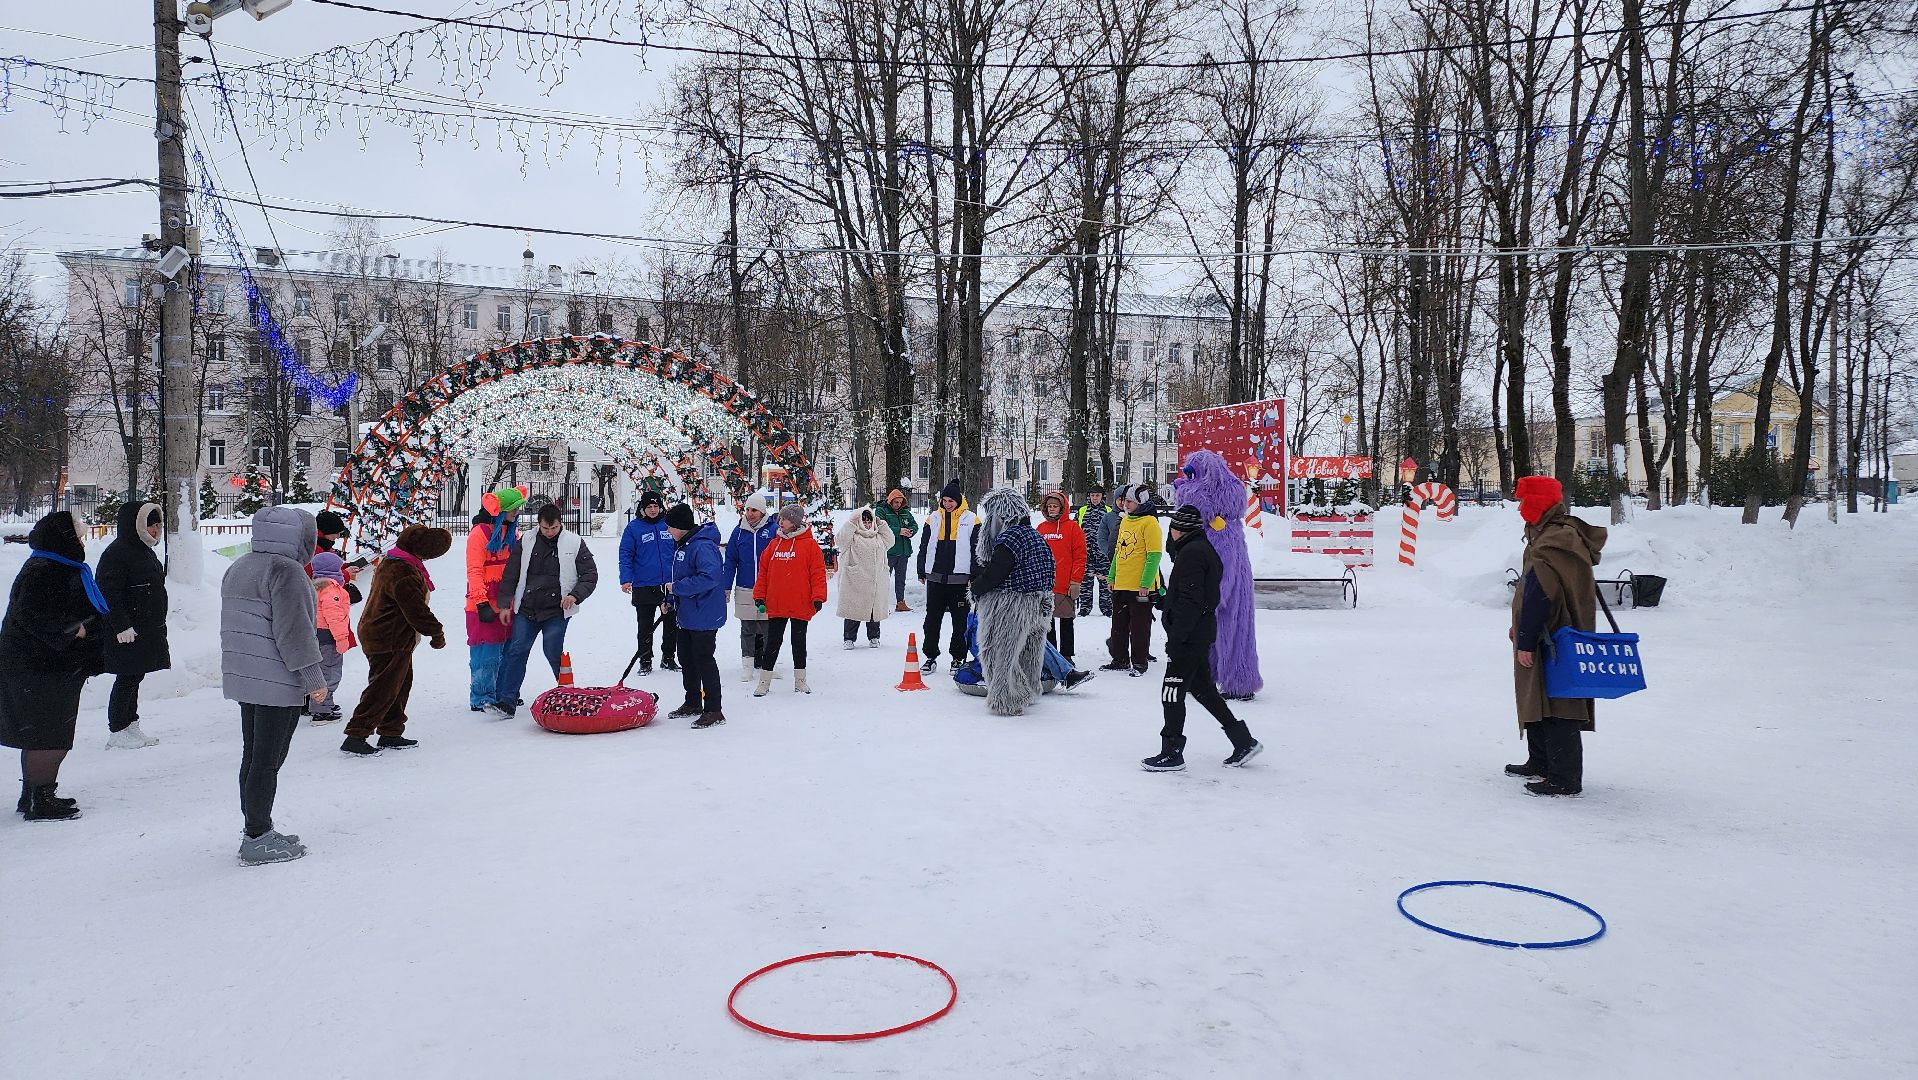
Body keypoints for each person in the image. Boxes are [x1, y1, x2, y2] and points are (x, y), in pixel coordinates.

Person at [219, 506, 329, 863]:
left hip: (247, 679)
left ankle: (257, 826)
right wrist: (314, 679)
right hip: (277, 680)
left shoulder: (241, 566)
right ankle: (257, 837)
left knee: (254, 757)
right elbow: (294, 632)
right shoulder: (287, 571)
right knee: (268, 760)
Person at [1, 511, 106, 821]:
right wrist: (77, 629)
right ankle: (40, 799)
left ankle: (33, 794)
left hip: (46, 667)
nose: (81, 540)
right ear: (63, 538)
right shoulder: (45, 569)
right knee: (50, 736)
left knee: (44, 734)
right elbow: (34, 615)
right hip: (40, 668)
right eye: (76, 535)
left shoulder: (53, 564)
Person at [1141, 504, 1261, 772]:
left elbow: (1192, 602)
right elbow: (1192, 596)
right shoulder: (1196, 550)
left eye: (1170, 527)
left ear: (1178, 530)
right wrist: (1162, 601)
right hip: (1198, 632)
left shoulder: (1193, 554)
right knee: (1204, 690)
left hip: (1189, 636)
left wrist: (1177, 639)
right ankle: (1243, 741)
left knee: (1171, 692)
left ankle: (1172, 751)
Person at [1508, 475, 1607, 798]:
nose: (1521, 508)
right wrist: (1520, 625)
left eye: (1525, 501)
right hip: (1547, 632)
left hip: (1554, 636)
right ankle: (1540, 761)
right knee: (1536, 696)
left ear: (1538, 503)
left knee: (1560, 703)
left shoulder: (1555, 540)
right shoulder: (1549, 535)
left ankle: (1564, 777)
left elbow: (1542, 594)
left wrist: (1526, 639)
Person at [343, 524, 450, 755]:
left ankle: (391, 731)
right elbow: (416, 610)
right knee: (383, 687)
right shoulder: (404, 572)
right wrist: (436, 633)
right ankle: (356, 734)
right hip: (388, 638)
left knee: (399, 684)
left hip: (388, 635)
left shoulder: (396, 562)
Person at [492, 504, 599, 717]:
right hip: (527, 608)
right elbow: (511, 574)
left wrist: (574, 595)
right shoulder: (526, 541)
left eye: (554, 528)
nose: (550, 532)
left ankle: (569, 695)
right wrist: (505, 604)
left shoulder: (574, 542)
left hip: (556, 611)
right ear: (538, 524)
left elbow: (590, 575)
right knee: (517, 650)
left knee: (552, 651)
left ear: (561, 524)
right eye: (545, 528)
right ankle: (507, 701)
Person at [970, 488, 1055, 717]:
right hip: (1039, 602)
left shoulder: (1010, 537)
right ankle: (1028, 689)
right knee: (1028, 651)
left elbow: (996, 572)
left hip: (1012, 604)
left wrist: (976, 588)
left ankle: (1008, 699)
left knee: (999, 652)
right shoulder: (1035, 535)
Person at [96, 499, 169, 748]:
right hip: (127, 632)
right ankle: (118, 729)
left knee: (135, 676)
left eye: (158, 525)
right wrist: (121, 625)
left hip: (143, 629)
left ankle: (130, 725)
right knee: (127, 678)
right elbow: (107, 592)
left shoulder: (143, 551)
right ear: (136, 526)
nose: (156, 530)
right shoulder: (118, 553)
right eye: (151, 526)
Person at [664, 502, 728, 728]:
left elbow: (710, 578)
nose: (668, 531)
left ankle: (714, 709)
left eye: (670, 526)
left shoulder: (701, 547)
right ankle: (692, 702)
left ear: (679, 526)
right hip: (687, 614)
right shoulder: (683, 545)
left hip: (704, 614)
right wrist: (670, 600)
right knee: (687, 659)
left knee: (703, 660)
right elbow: (680, 575)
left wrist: (678, 589)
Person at [753, 503, 827, 696]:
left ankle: (800, 680)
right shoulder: (773, 545)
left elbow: (817, 573)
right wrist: (759, 596)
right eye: (780, 519)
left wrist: (818, 596)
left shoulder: (810, 545)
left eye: (784, 519)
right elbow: (763, 573)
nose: (780, 522)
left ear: (794, 522)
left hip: (800, 603)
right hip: (777, 602)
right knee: (773, 643)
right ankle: (764, 682)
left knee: (798, 642)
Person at [463, 489, 521, 713]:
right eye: (514, 508)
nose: (517, 512)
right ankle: (481, 696)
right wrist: (481, 602)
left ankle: (502, 694)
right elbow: (474, 570)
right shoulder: (479, 533)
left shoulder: (511, 533)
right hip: (484, 602)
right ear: (501, 510)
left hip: (506, 601)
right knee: (486, 654)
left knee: (507, 651)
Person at [915, 479, 978, 674]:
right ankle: (930, 656)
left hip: (960, 580)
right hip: (935, 578)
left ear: (958, 500)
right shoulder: (932, 518)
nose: (947, 504)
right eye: (944, 500)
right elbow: (924, 546)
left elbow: (977, 549)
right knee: (932, 620)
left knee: (960, 622)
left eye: (951, 500)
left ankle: (958, 658)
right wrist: (921, 569)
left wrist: (974, 574)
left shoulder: (972, 519)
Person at [1102, 485, 1164, 676]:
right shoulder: (1125, 521)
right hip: (1122, 583)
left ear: (1140, 503)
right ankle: (1120, 659)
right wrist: (1112, 577)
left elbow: (1154, 556)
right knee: (1118, 625)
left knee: (1139, 627)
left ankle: (1139, 662)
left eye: (1129, 501)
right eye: (1124, 501)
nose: (1124, 504)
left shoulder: (1150, 523)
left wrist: (1145, 584)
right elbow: (1119, 553)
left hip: (1140, 587)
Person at [619, 490, 677, 675]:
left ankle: (668, 658)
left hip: (669, 584)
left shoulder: (669, 525)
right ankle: (645, 660)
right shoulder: (634, 528)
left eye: (656, 506)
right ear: (642, 509)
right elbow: (626, 554)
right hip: (644, 584)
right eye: (649, 507)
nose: (653, 510)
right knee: (645, 625)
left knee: (671, 623)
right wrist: (626, 578)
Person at [723, 492, 778, 682]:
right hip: (745, 587)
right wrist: (726, 586)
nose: (750, 513)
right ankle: (747, 665)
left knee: (767, 627)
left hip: (769, 588)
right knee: (747, 627)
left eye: (754, 510)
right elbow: (730, 560)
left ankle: (767, 664)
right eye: (747, 509)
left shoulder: (773, 531)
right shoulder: (738, 532)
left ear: (762, 512)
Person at [1036, 489, 1087, 663]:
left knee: (1066, 622)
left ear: (1062, 508)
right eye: (1049, 506)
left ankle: (1067, 656)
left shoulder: (1073, 528)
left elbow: (1080, 556)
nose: (1052, 509)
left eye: (1055, 506)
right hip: (1045, 586)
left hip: (1065, 585)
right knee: (1047, 624)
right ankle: (1051, 655)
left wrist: (1076, 581)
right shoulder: (1041, 528)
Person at [308, 551, 356, 723]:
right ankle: (321, 710)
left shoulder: (314, 588)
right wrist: (342, 639)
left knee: (319, 671)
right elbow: (334, 617)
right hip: (329, 638)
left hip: (315, 636)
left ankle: (321, 703)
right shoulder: (331, 590)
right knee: (329, 672)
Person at [835, 506, 892, 649]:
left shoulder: (878, 536)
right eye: (864, 521)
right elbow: (840, 541)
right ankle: (849, 638)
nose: (866, 525)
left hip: (875, 581)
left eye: (869, 521)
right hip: (855, 580)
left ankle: (874, 637)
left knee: (873, 611)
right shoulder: (853, 535)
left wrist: (882, 525)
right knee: (853, 610)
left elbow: (891, 541)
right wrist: (851, 524)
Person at [872, 488, 918, 612]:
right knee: (883, 579)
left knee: (901, 579)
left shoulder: (905, 512)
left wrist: (911, 531)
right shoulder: (881, 511)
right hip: (889, 551)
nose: (898, 504)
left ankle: (900, 602)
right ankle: (880, 604)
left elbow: (914, 525)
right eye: (896, 502)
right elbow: (880, 527)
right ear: (890, 501)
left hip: (904, 551)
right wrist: (899, 531)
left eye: (900, 502)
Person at [1076, 485, 1116, 619]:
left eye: (1097, 495)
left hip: (1103, 554)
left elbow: (1114, 532)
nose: (1094, 498)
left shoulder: (1109, 511)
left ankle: (1107, 608)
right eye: (1092, 495)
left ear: (1102, 496)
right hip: (1086, 553)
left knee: (1105, 582)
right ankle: (1085, 608)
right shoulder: (1082, 511)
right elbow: (1075, 531)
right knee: (1085, 583)